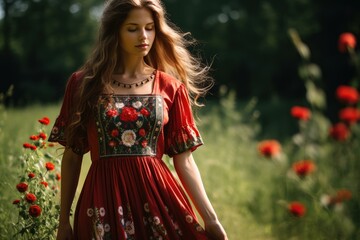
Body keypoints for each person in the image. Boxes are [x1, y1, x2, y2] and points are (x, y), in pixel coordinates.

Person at [49, 0, 228, 239]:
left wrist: (211, 219)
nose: (143, 35)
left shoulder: (170, 87)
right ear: (115, 31)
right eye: (132, 28)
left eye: (150, 27)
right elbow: (72, 158)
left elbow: (184, 161)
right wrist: (64, 223)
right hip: (103, 201)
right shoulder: (83, 84)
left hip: (158, 201)